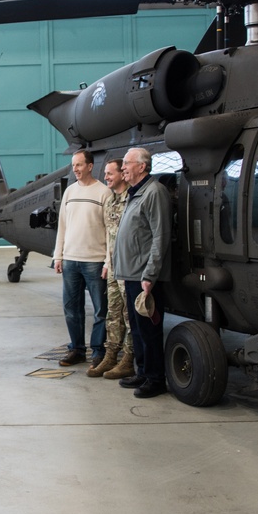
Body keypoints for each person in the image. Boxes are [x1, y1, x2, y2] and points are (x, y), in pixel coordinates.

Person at [113, 148, 172, 398]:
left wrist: (150, 276)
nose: (123, 167)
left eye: (127, 163)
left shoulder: (154, 192)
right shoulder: (134, 193)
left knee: (149, 330)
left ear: (142, 167)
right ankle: (143, 371)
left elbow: (160, 236)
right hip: (131, 273)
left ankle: (156, 379)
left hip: (144, 275)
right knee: (136, 329)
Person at [53, 150, 110, 367]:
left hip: (95, 261)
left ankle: (98, 351)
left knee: (100, 310)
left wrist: (107, 261)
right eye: (73, 165)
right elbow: (63, 227)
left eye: (79, 165)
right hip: (70, 261)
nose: (75, 169)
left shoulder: (104, 193)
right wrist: (58, 256)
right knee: (71, 308)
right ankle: (76, 349)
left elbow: (109, 230)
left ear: (90, 166)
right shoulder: (69, 192)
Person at [87, 159, 135, 379]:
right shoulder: (111, 201)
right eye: (105, 173)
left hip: (129, 268)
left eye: (110, 173)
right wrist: (107, 262)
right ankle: (111, 354)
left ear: (122, 175)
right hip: (114, 267)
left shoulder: (132, 200)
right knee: (112, 313)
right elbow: (109, 235)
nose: (105, 177)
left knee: (129, 314)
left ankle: (129, 358)